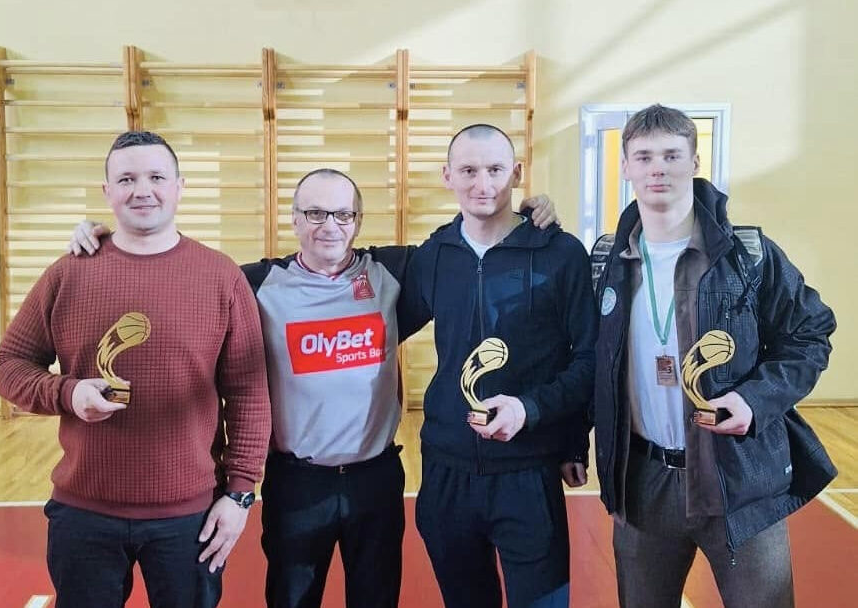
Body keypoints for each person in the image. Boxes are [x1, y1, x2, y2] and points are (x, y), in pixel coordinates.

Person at [67, 166, 557, 608]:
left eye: (343, 214)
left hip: (376, 480)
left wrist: (521, 215)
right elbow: (182, 272)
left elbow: (466, 243)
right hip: (297, 484)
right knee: (292, 597)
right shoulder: (256, 283)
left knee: (376, 598)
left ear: (358, 221)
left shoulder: (391, 272)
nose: (330, 225)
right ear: (295, 219)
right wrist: (114, 239)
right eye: (315, 213)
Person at [0, 131, 272, 608]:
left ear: (180, 187)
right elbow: (8, 366)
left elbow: (248, 393)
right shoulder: (67, 273)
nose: (142, 190)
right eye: (126, 179)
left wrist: (241, 493)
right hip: (84, 514)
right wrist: (67, 393)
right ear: (107, 192)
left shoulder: (221, 276)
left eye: (156, 177)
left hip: (190, 517)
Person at [591, 104, 837, 608]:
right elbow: (583, 361)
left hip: (739, 482)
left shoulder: (748, 253)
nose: (658, 168)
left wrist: (754, 400)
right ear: (626, 167)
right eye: (644, 156)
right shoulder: (605, 260)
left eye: (671, 155)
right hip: (643, 482)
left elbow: (811, 333)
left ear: (695, 161)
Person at [398, 124, 598, 608]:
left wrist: (550, 423)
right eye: (468, 170)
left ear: (517, 173)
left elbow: (590, 358)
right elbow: (371, 323)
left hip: (528, 471)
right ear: (447, 176)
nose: (483, 183)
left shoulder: (560, 253)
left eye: (495, 169)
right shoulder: (433, 256)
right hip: (446, 472)